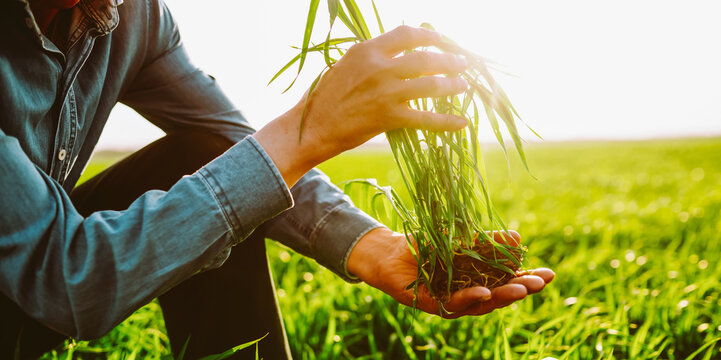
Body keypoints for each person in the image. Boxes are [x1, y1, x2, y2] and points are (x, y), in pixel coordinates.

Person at [0, 0, 555, 358]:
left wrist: (373, 247)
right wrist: (308, 130)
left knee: (205, 157)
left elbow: (230, 147)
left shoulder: (131, 16)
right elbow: (62, 283)